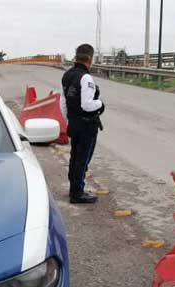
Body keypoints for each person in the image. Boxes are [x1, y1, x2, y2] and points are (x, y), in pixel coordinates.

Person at [61, 44, 105, 204]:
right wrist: (101, 104)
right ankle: (77, 192)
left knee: (75, 157)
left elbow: (63, 102)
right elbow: (87, 104)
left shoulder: (67, 75)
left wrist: (69, 119)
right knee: (82, 160)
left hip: (74, 123)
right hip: (86, 125)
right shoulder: (86, 78)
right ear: (90, 59)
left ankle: (74, 188)